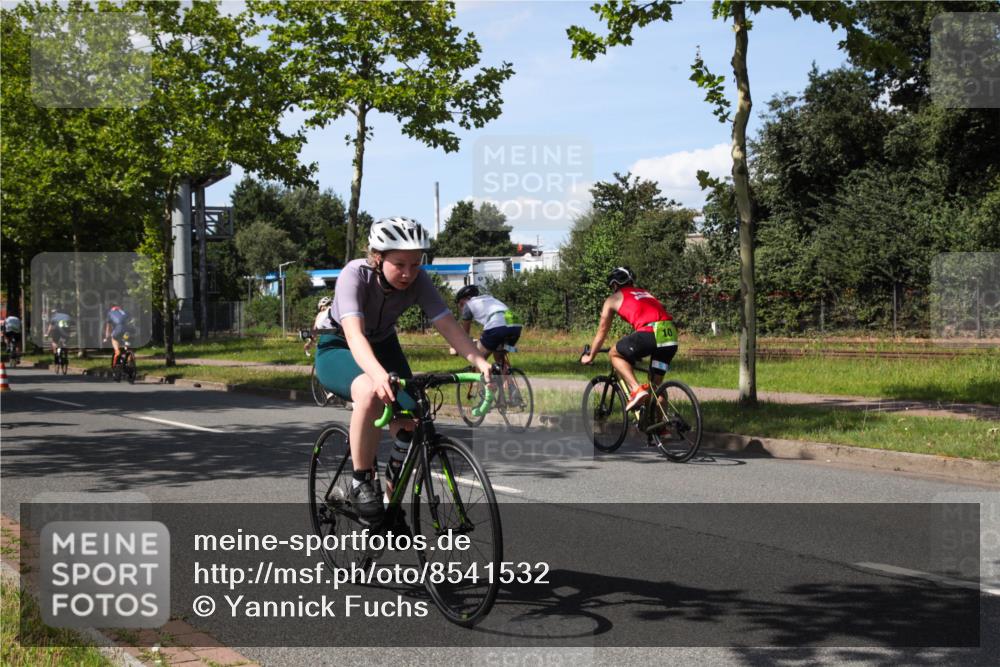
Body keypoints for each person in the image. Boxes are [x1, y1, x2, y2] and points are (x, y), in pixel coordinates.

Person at [314, 216, 492, 524]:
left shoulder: (419, 280)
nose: (409, 273)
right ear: (378, 257)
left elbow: (447, 324)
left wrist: (479, 361)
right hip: (339, 345)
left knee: (411, 423)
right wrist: (378, 375)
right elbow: (355, 335)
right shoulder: (354, 275)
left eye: (416, 263)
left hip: (383, 344)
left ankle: (389, 503)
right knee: (369, 392)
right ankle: (360, 481)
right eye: (400, 264)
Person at [579, 266, 678, 411]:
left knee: (614, 353)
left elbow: (602, 330)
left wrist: (591, 355)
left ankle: (636, 390)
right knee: (656, 387)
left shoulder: (613, 299)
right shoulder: (645, 293)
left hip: (651, 333)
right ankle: (660, 428)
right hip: (670, 336)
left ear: (614, 284)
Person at [452, 284, 523, 362]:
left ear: (466, 298)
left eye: (461, 304)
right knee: (498, 353)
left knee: (479, 359)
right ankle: (505, 372)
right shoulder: (489, 298)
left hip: (497, 324)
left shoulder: (468, 305)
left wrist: (456, 348)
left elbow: (465, 335)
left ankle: (480, 372)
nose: (461, 308)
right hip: (516, 323)